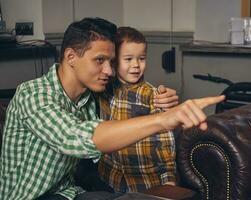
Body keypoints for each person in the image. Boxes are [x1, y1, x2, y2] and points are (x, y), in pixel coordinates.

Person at [0, 17, 225, 200]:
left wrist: (161, 97)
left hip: (68, 193)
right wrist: (163, 119)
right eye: (100, 60)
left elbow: (131, 91)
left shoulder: (92, 95)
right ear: (70, 57)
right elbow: (76, 137)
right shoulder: (34, 94)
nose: (108, 70)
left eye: (111, 61)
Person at [97, 27, 176, 193]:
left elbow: (165, 143)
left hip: (145, 180)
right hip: (110, 178)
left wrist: (169, 181)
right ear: (114, 60)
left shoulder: (153, 95)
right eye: (128, 59)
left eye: (141, 58)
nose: (136, 65)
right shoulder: (103, 88)